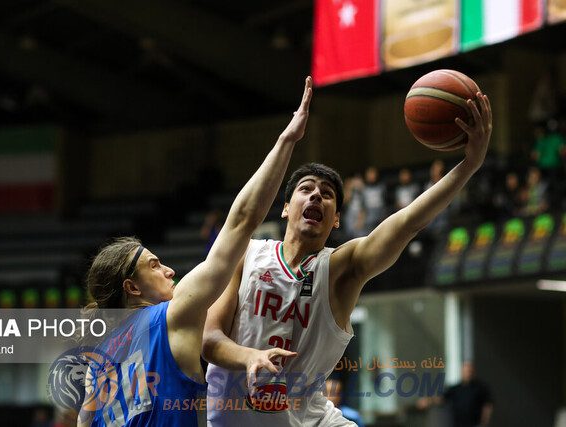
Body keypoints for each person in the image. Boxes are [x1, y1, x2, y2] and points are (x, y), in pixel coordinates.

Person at [203, 92, 492, 426]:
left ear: (337, 219)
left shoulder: (341, 268)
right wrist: (249, 356)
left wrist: (469, 165)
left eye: (327, 195)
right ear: (285, 208)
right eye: (306, 188)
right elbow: (210, 340)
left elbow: (409, 222)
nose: (316, 195)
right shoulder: (246, 253)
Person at [77, 77, 313, 426]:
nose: (170, 270)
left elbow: (84, 422)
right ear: (132, 287)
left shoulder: (98, 362)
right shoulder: (173, 315)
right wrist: (286, 141)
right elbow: (242, 221)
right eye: (154, 265)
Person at [443, 362, 493, 427]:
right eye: (466, 371)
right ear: (462, 372)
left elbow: (488, 405)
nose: (468, 373)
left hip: (475, 424)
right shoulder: (455, 389)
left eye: (469, 371)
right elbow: (442, 398)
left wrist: (484, 422)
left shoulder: (480, 388)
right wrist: (429, 401)